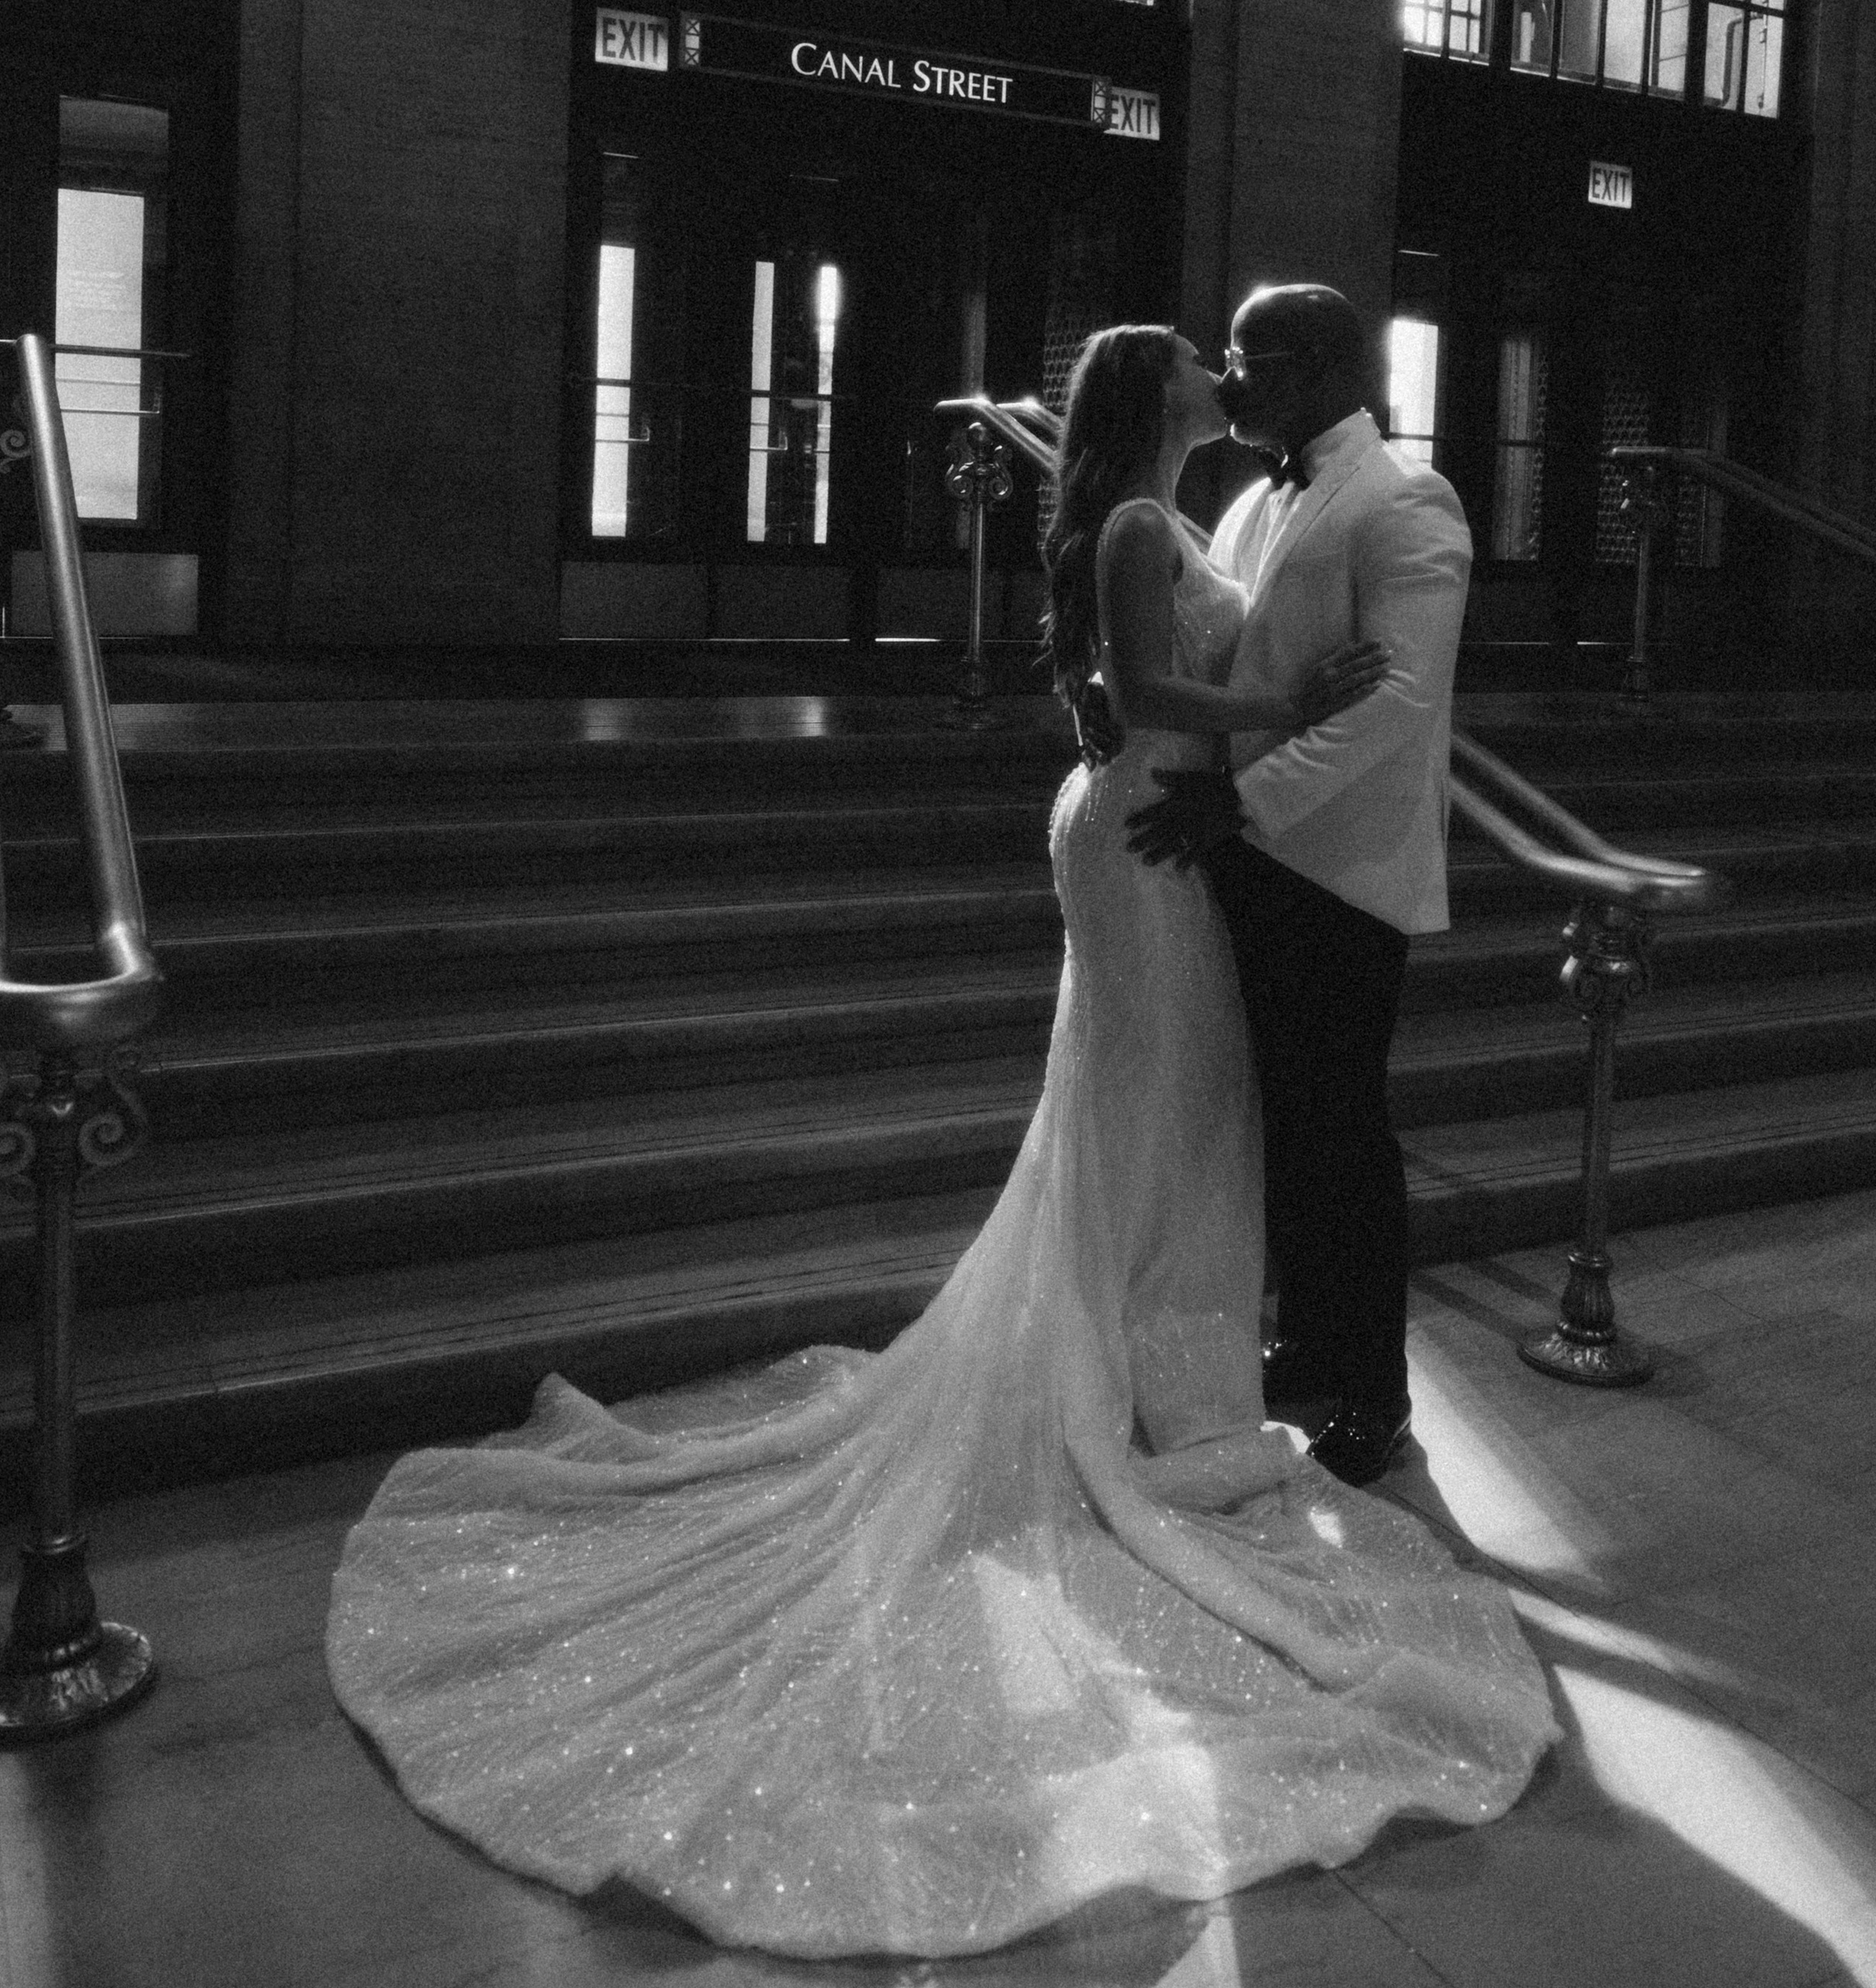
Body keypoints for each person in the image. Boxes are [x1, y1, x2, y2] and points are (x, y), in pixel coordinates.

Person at [325, 325, 1557, 1963]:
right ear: (1156, 400)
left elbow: (1210, 678)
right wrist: (1274, 696)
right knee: (1151, 1103)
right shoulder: (1136, 526)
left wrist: (1267, 716)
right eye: (1201, 359)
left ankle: (1163, 1356)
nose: (1219, 367)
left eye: (1236, 352)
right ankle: (1142, 1370)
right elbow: (1139, 692)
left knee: (1177, 1109)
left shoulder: (1206, 515)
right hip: (1143, 835)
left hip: (1177, 836)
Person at [1126, 283, 1471, 1489]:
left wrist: (1246, 800)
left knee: (1345, 1135)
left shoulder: (1406, 500)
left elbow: (1396, 704)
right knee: (1284, 1127)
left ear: (1318, 365)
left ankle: (1377, 1390)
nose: (1229, 381)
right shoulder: (1244, 506)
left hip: (1342, 874)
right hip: (1247, 864)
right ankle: (1309, 1338)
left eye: (1248, 359)